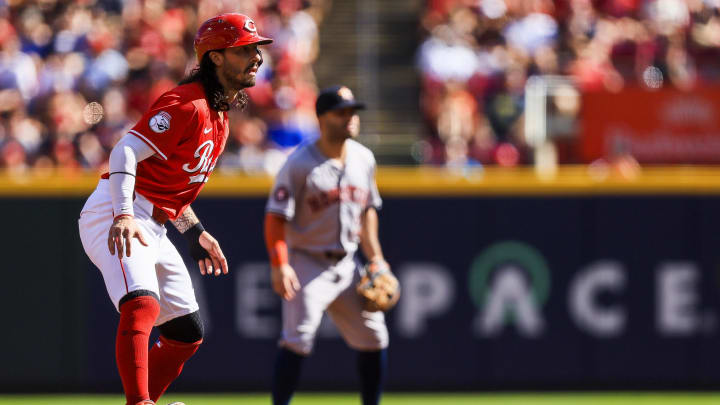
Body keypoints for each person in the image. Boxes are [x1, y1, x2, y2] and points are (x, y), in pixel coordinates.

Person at [78, 13, 272, 405]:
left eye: (257, 49)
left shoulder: (218, 117)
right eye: (246, 49)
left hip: (153, 219)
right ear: (215, 57)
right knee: (142, 302)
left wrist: (195, 231)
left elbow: (172, 191)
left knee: (186, 331)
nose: (257, 57)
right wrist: (124, 214)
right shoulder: (187, 103)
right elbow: (125, 149)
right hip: (117, 211)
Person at [264, 85, 390, 405]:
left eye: (352, 112)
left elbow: (367, 213)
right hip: (307, 261)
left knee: (374, 337)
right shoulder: (299, 163)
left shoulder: (364, 159)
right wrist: (280, 264)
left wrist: (375, 259)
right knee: (297, 340)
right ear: (322, 118)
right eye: (341, 112)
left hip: (348, 264)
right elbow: (275, 218)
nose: (350, 118)